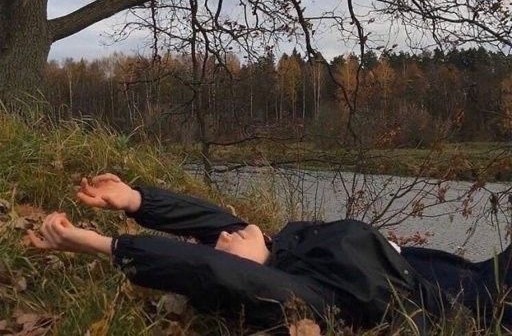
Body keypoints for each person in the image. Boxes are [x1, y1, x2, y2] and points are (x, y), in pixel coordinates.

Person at [28, 174, 511, 333]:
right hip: (482, 306)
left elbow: (210, 222)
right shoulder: (305, 293)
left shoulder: (286, 247)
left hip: (465, 272)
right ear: (244, 266)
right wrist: (96, 244)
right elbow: (205, 268)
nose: (225, 234)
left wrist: (134, 199)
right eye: (226, 247)